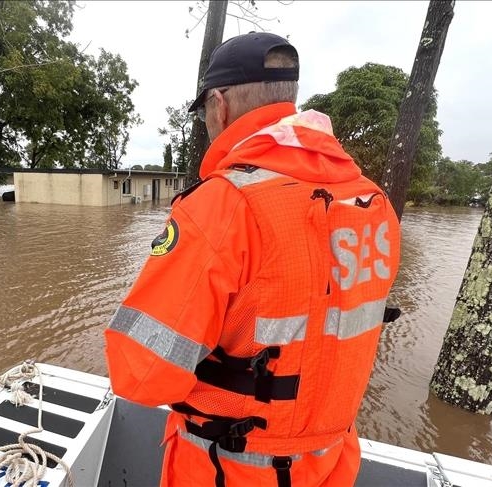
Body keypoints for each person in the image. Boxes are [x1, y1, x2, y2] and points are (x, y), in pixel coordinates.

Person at [104, 32, 401, 487]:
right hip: (330, 464)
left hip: (228, 469)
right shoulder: (372, 203)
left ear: (219, 104)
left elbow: (142, 376)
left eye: (204, 111)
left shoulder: (224, 206)